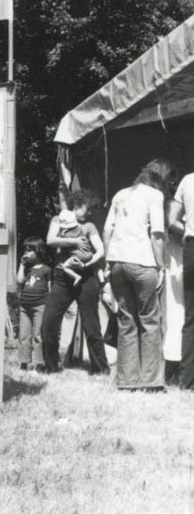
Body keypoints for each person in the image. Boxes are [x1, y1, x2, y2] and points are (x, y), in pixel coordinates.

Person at [103, 158, 175, 391]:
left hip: (118, 263)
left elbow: (107, 230)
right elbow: (156, 234)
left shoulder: (120, 194)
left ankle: (127, 380)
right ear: (161, 179)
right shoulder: (155, 196)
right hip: (142, 263)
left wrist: (108, 260)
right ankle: (151, 381)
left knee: (127, 322)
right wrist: (161, 265)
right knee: (150, 322)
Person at [40, 189, 109, 375]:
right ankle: (51, 366)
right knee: (49, 322)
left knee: (92, 325)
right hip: (63, 278)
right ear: (77, 205)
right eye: (87, 209)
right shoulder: (58, 220)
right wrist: (75, 242)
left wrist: (88, 263)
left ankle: (101, 369)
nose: (89, 214)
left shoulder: (89, 227)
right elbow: (50, 240)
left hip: (86, 278)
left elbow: (100, 251)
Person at [168, 166, 194, 389]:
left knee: (191, 316)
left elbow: (171, 220)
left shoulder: (187, 180)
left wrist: (187, 230)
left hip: (191, 247)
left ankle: (187, 381)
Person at [16, 236, 50, 371]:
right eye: (25, 250)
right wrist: (22, 265)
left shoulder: (46, 270)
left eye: (30, 250)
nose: (26, 253)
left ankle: (39, 364)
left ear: (38, 251)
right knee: (24, 335)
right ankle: (23, 363)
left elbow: (49, 289)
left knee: (38, 335)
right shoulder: (26, 268)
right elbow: (19, 281)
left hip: (40, 306)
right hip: (24, 306)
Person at [54, 208, 94, 286]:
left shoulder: (66, 235)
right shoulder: (80, 229)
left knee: (65, 267)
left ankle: (76, 277)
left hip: (78, 256)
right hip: (89, 254)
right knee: (95, 266)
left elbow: (58, 241)